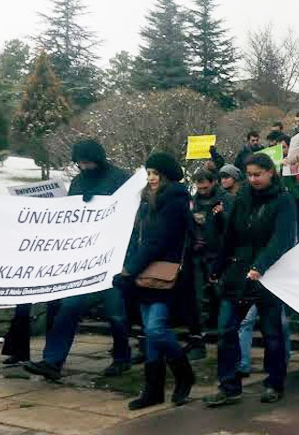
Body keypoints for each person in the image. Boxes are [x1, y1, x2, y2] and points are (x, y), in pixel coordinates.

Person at [24, 139, 133, 381]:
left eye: (87, 161)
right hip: (84, 259)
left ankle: (122, 357)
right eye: (80, 162)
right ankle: (52, 361)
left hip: (112, 257)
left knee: (116, 313)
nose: (83, 166)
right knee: (69, 308)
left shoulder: (120, 179)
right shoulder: (78, 181)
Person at [204, 153, 295, 407]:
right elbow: (230, 236)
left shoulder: (283, 200)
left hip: (269, 276)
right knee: (226, 330)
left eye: (258, 174)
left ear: (270, 172)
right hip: (237, 274)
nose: (253, 179)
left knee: (272, 333)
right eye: (250, 175)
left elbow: (283, 238)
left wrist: (261, 265)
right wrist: (217, 267)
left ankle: (274, 383)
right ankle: (228, 385)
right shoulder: (242, 198)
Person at [115, 153, 194, 410]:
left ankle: (184, 375)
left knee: (156, 330)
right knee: (151, 334)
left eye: (156, 174)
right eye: (149, 173)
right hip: (147, 273)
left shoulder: (174, 202)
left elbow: (157, 241)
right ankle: (153, 390)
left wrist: (129, 270)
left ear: (167, 176)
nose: (151, 178)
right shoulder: (149, 201)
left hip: (165, 274)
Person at [189, 170, 235, 355]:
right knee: (197, 296)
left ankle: (223, 334)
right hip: (199, 252)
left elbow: (234, 226)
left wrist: (222, 215)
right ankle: (199, 338)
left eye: (205, 187)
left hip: (219, 253)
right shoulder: (194, 200)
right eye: (199, 188)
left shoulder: (226, 199)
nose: (203, 191)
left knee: (220, 293)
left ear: (213, 183)